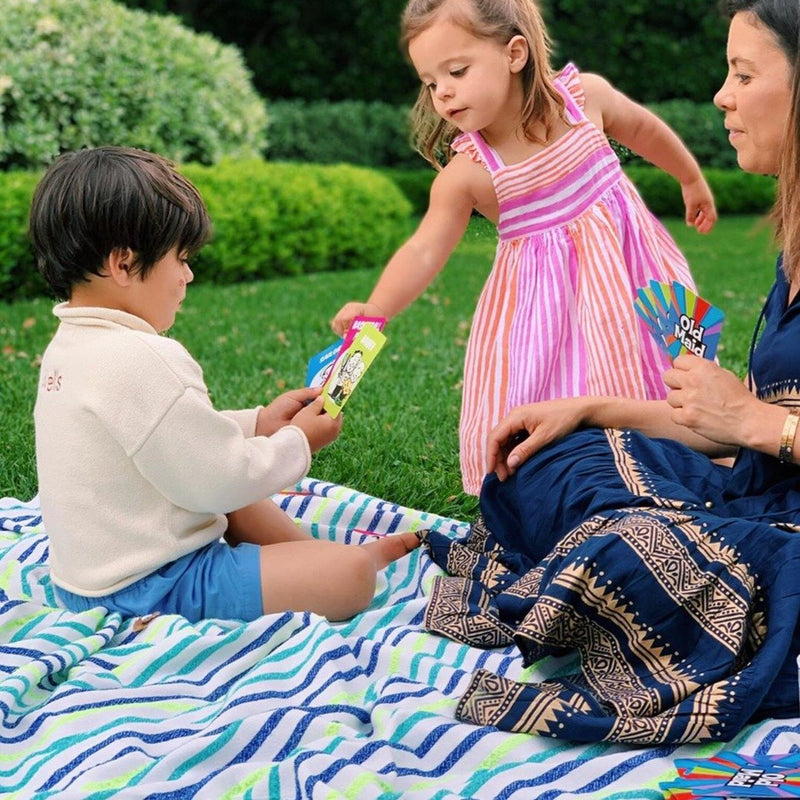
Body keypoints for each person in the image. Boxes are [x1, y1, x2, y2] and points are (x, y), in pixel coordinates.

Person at [418, 0, 800, 745]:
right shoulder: (796, 245)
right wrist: (590, 409)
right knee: (547, 460)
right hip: (755, 485)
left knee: (622, 546)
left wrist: (761, 423)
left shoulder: (582, 104)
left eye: (744, 74)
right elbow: (734, 420)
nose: (721, 95)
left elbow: (754, 421)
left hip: (784, 530)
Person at [332, 0, 718, 495]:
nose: (443, 92)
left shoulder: (584, 100)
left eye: (456, 70)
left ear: (515, 54)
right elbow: (425, 248)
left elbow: (643, 128)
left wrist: (690, 179)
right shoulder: (468, 174)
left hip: (633, 276)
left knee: (657, 369)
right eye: (431, 82)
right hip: (552, 313)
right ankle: (588, 478)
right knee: (572, 386)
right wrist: (376, 309)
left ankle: (675, 454)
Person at [30, 146, 419, 625]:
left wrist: (259, 423)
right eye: (182, 259)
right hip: (154, 586)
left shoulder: (70, 346)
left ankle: (305, 557)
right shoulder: (144, 356)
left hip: (86, 583)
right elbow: (218, 483)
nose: (188, 275)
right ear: (124, 264)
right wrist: (299, 442)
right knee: (352, 576)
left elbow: (159, 435)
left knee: (240, 499)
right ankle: (331, 564)